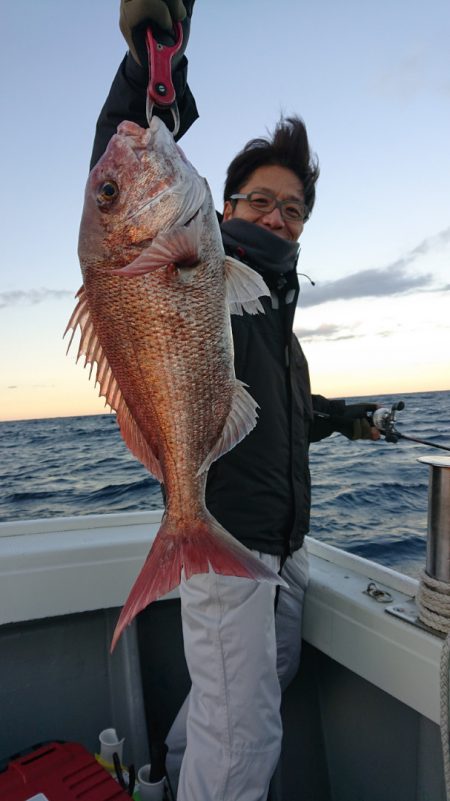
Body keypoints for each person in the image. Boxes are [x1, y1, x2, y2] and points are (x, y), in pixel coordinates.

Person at [91, 3, 380, 799]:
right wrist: (151, 62)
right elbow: (124, 169)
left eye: (293, 209)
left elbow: (274, 406)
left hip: (281, 545)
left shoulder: (276, 315)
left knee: (245, 699)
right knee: (243, 737)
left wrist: (340, 417)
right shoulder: (199, 272)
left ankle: (176, 781)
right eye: (258, 200)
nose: (276, 218)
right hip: (230, 542)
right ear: (223, 208)